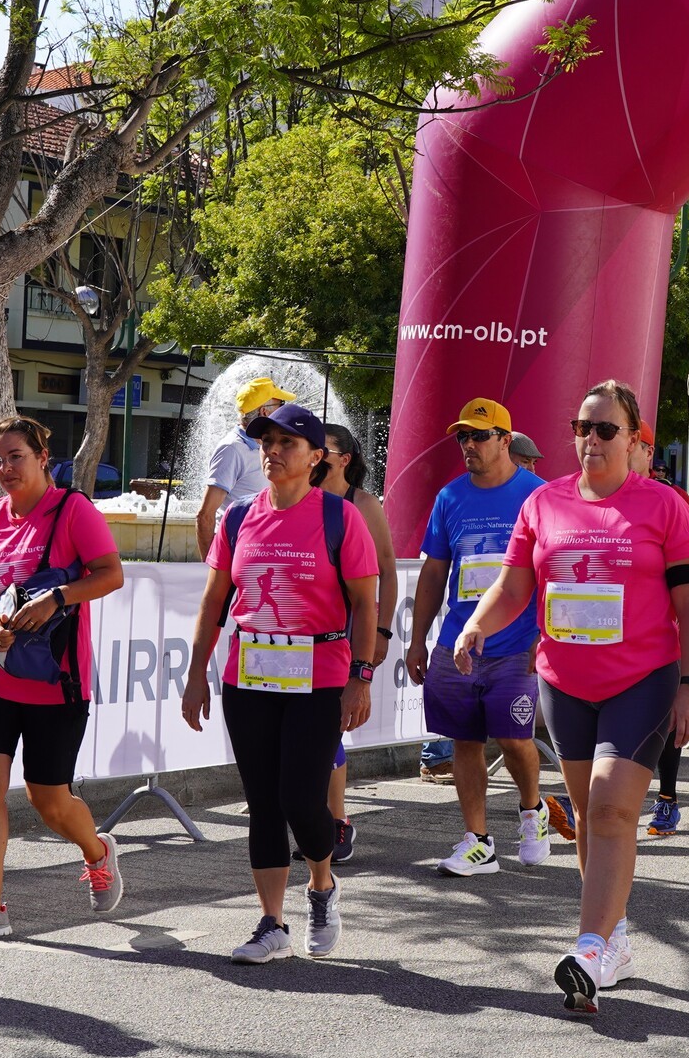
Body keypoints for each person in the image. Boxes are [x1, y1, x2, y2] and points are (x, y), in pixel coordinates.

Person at [452, 379, 689, 1014]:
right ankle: (613, 938)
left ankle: (590, 947)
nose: (590, 439)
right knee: (590, 816)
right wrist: (476, 624)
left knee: (612, 810)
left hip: (642, 678)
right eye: (581, 427)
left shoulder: (663, 506)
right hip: (564, 682)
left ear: (633, 437)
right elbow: (514, 587)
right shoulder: (544, 503)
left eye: (605, 429)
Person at [183, 400, 379, 962]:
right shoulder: (238, 517)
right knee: (263, 801)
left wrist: (361, 677)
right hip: (248, 677)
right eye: (266, 442)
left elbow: (365, 604)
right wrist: (196, 674)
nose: (272, 451)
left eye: (286, 443)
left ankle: (321, 884)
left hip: (319, 677)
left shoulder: (340, 517)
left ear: (316, 457)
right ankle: (271, 924)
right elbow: (214, 601)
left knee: (300, 798)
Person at [0, 416, 129, 939]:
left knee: (48, 800)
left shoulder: (72, 510)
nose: (5, 468)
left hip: (56, 680)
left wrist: (58, 598)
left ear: (43, 457)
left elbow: (111, 574)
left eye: (16, 456)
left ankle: (97, 850)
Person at [409, 397, 550, 875]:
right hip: (459, 643)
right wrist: (418, 640)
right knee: (463, 740)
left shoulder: (539, 495)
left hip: (517, 642)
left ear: (505, 440)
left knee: (513, 739)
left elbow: (552, 571)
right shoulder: (450, 497)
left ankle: (532, 810)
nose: (469, 444)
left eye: (479, 436)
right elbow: (434, 574)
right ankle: (478, 841)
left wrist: (544, 635)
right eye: (463, 437)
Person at [318, 421, 397, 864]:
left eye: (322, 450)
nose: (313, 456)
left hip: (349, 631)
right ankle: (315, 816)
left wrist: (382, 632)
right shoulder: (299, 497)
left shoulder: (363, 504)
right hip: (306, 634)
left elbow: (387, 570)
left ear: (344, 459)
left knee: (331, 724)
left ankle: (337, 821)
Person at [632, 419, 689, 837]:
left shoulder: (672, 498)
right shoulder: (590, 496)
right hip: (612, 637)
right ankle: (591, 799)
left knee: (666, 718)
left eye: (634, 443)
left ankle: (667, 798)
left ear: (646, 452)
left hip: (666, 631)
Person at [193, 376, 296, 556]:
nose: (283, 411)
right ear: (265, 412)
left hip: (260, 551)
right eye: (280, 405)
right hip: (237, 552)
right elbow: (205, 515)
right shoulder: (232, 449)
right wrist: (210, 566)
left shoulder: (263, 447)